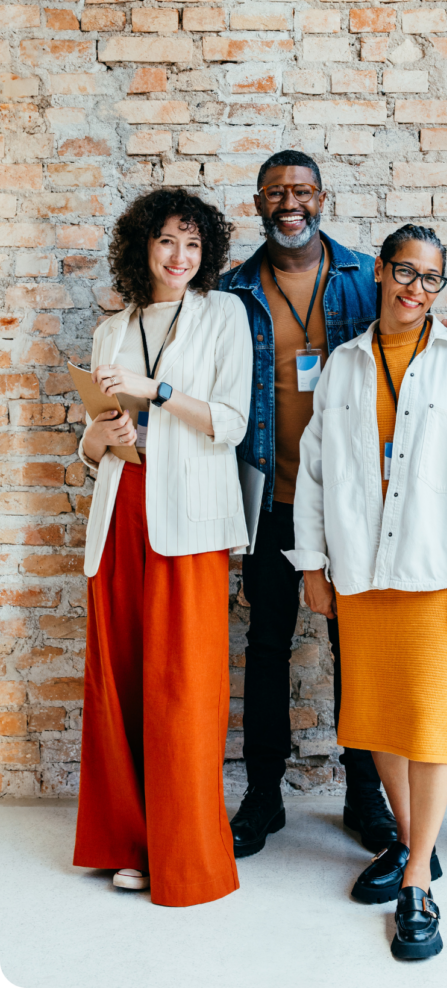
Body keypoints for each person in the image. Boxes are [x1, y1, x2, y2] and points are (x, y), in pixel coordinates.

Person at [218, 151, 447, 859]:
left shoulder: (366, 275)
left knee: (355, 656)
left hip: (358, 512)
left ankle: (366, 797)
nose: (289, 204)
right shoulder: (233, 289)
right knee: (266, 649)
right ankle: (262, 796)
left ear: (322, 198)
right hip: (273, 497)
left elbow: (413, 325)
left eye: (301, 191)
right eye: (276, 193)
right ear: (258, 203)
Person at [285, 224, 447, 959]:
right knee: (379, 719)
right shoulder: (346, 364)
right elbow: (315, 471)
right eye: (405, 273)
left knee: (431, 722)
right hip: (360, 571)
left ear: (439, 288)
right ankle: (419, 844)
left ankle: (416, 880)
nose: (416, 288)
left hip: (431, 573)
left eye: (431, 278)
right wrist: (312, 565)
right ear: (380, 273)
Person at [73, 188, 253, 907]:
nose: (179, 257)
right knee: (118, 683)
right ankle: (129, 843)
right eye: (166, 243)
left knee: (183, 691)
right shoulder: (111, 330)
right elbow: (88, 444)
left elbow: (232, 422)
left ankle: (182, 851)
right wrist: (103, 438)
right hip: (120, 516)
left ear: (205, 253)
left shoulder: (225, 316)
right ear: (141, 249)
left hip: (191, 523)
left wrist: (158, 389)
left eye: (192, 244)